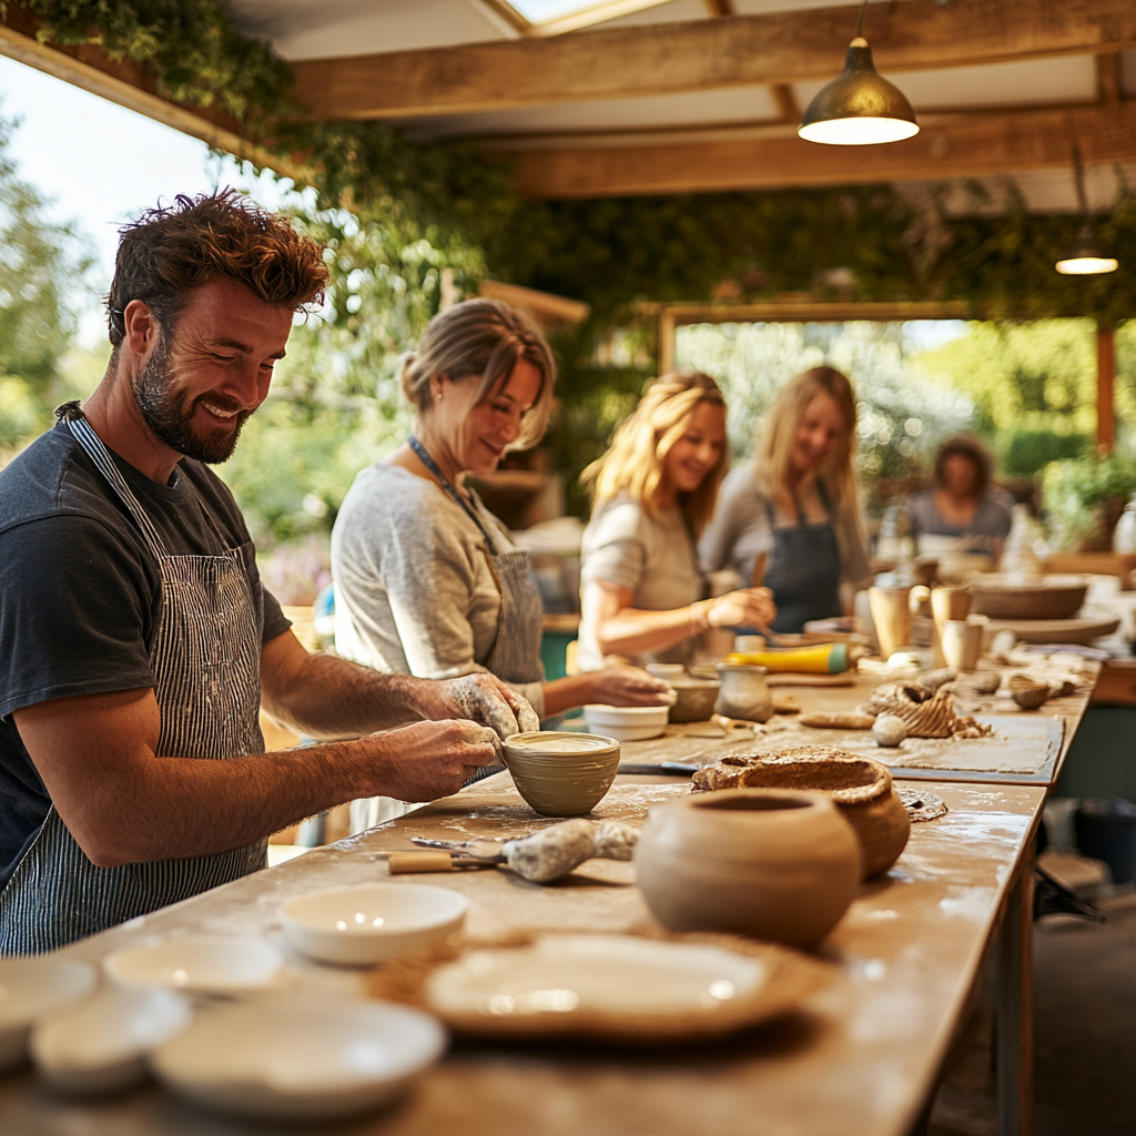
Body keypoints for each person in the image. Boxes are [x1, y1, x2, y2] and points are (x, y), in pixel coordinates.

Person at [0, 192, 534, 955]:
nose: (249, 393)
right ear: (142, 328)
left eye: (268, 363)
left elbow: (290, 681)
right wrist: (374, 765)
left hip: (210, 935)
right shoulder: (59, 526)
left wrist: (427, 697)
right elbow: (117, 815)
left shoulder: (198, 488)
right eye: (224, 356)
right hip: (80, 967)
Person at [331, 299, 669, 828]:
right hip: (425, 803)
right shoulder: (411, 507)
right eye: (497, 405)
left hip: (479, 781)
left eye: (521, 411)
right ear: (440, 381)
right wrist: (590, 685)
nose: (511, 429)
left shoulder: (456, 494)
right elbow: (455, 697)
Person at [576, 371, 776, 670]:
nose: (705, 455)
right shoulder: (628, 518)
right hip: (622, 710)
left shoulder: (675, 513)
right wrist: (707, 614)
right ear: (656, 435)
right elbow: (605, 631)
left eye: (716, 444)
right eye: (693, 439)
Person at [700, 366, 872, 634]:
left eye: (832, 433)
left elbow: (861, 580)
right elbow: (701, 578)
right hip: (759, 661)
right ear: (787, 420)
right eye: (811, 425)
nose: (819, 441)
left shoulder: (836, 493)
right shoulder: (743, 488)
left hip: (827, 661)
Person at [905, 434, 1014, 557]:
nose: (958, 480)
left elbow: (1005, 554)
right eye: (952, 473)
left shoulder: (996, 512)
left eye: (965, 474)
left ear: (978, 474)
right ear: (942, 472)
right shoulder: (919, 508)